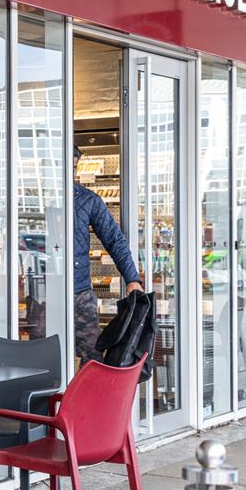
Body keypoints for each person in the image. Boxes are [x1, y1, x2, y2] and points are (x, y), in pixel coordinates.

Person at [74, 147, 143, 363]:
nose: (70, 171)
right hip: (44, 291)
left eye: (74, 166)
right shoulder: (36, 200)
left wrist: (132, 279)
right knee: (43, 356)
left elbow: (115, 239)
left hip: (80, 292)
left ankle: (88, 388)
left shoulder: (88, 200)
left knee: (93, 356)